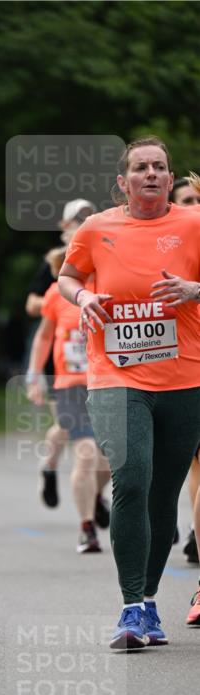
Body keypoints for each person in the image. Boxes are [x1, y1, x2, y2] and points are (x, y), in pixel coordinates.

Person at [58, 137, 200, 650]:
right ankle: (131, 605)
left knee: (163, 496)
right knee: (132, 478)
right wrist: (83, 296)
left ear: (170, 178)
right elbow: (67, 276)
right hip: (116, 376)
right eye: (141, 167)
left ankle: (150, 601)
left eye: (160, 167)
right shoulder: (97, 228)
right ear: (123, 181)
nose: (151, 174)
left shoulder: (194, 223)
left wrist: (195, 290)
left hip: (185, 379)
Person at [26, 247, 111, 553]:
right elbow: (44, 336)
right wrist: (34, 376)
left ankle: (94, 496)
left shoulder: (111, 288)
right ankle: (87, 528)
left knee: (109, 461)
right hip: (70, 385)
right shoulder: (56, 293)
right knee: (86, 453)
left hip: (106, 383)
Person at [170, 176, 200, 565]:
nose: (195, 207)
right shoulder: (170, 248)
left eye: (198, 199)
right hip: (186, 366)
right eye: (186, 201)